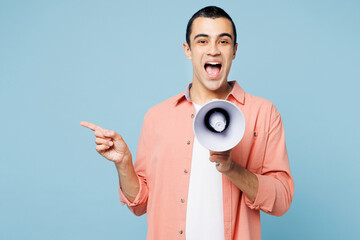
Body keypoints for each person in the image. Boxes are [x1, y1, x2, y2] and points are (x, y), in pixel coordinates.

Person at [81, 6, 294, 240]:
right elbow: (139, 204)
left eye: (223, 42)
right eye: (202, 41)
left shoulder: (263, 113)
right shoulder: (157, 116)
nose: (213, 50)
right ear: (188, 50)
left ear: (234, 51)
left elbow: (282, 200)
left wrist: (232, 168)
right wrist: (123, 164)